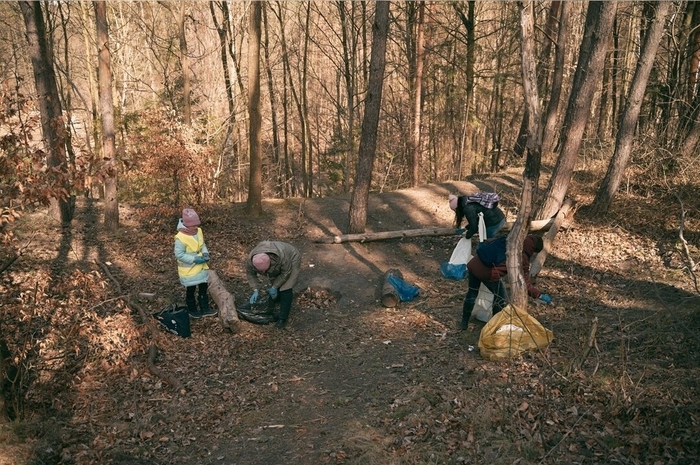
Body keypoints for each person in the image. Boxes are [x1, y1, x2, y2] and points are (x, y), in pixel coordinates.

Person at [459, 234, 551, 330]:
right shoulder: (521, 256)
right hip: (489, 274)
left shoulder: (511, 239)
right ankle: (494, 327)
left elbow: (488, 241)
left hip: (474, 264)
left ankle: (464, 323)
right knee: (500, 298)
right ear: (533, 249)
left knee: (472, 292)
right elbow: (524, 283)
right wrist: (539, 295)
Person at [246, 241, 301, 329]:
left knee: (286, 287)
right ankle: (278, 298)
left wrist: (275, 287)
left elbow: (285, 273)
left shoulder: (281, 257)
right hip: (277, 263)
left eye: (265, 270)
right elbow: (250, 274)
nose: (263, 273)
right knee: (274, 279)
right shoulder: (251, 260)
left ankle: (283, 318)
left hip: (292, 258)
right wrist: (255, 289)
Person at [174, 208, 217, 319]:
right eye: (194, 225)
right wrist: (194, 259)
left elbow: (202, 244)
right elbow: (179, 255)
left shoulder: (198, 231)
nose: (196, 227)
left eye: (197, 225)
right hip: (189, 270)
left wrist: (205, 253)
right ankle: (192, 310)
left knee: (203, 288)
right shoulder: (180, 237)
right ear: (187, 225)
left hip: (201, 267)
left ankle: (205, 308)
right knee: (191, 290)